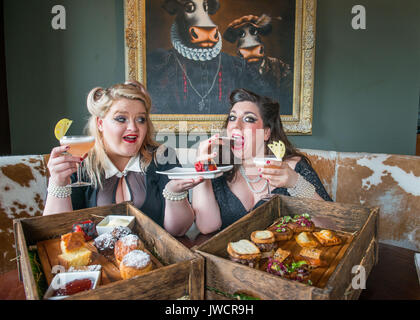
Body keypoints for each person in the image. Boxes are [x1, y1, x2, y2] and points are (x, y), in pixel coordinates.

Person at [43, 81, 203, 237]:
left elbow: (179, 231)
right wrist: (58, 183)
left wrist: (174, 193)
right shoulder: (79, 164)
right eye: (121, 119)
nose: (133, 127)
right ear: (100, 123)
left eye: (140, 119)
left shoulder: (163, 157)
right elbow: (56, 233)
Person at [192, 88, 332, 234]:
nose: (236, 125)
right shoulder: (220, 168)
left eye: (248, 119)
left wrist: (296, 183)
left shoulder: (295, 167)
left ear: (266, 132)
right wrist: (203, 169)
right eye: (232, 118)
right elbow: (207, 227)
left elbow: (332, 225)